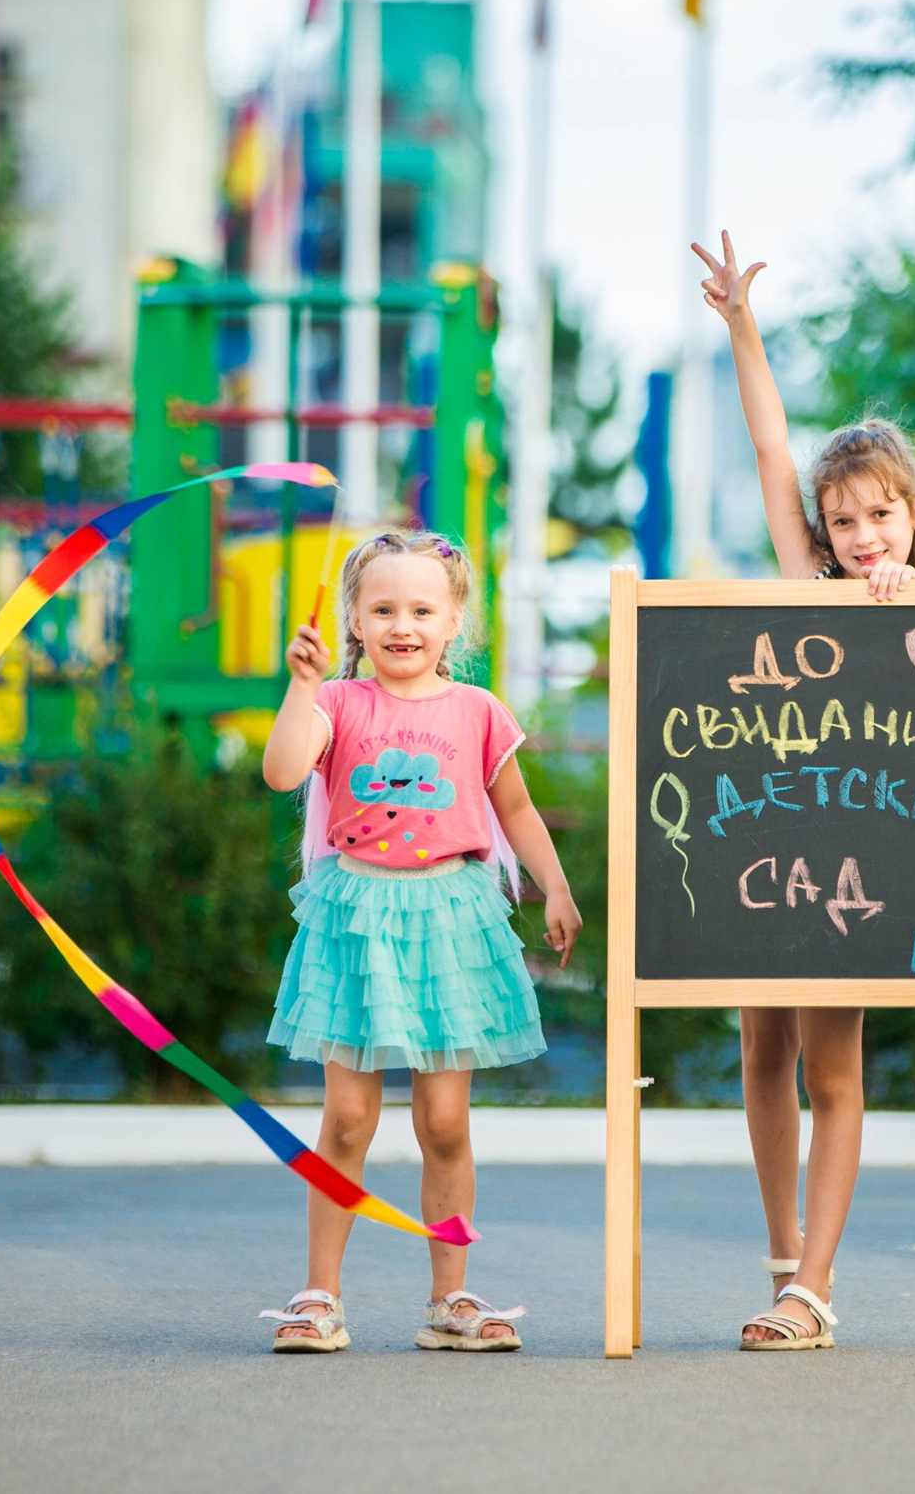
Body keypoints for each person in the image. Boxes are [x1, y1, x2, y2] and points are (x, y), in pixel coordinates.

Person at [694, 231, 915, 1350]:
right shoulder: (806, 579)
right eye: (843, 520)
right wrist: (743, 330)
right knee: (761, 1044)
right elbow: (770, 449)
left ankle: (814, 1285)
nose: (861, 539)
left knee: (832, 1060)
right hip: (773, 833)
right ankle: (779, 1257)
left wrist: (908, 591)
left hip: (862, 852)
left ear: (914, 515)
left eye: (880, 518)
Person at [255, 530, 583, 1354]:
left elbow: (515, 810)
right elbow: (283, 773)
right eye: (384, 608)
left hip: (451, 920)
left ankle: (451, 1297)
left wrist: (555, 885)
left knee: (444, 1121)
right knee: (348, 1118)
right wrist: (301, 689)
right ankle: (319, 1295)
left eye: (423, 609)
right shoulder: (335, 701)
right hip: (357, 920)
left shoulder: (477, 711)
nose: (404, 624)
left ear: (454, 621)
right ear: (355, 621)